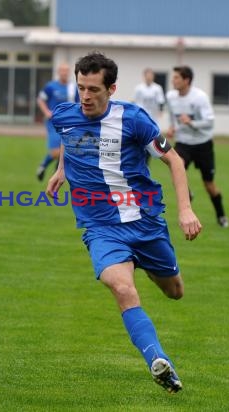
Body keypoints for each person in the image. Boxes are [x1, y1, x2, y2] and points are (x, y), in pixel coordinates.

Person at [46, 52, 202, 393]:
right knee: (122, 287)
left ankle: (146, 263)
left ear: (111, 89)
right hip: (101, 227)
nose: (85, 96)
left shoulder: (134, 120)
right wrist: (61, 172)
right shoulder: (64, 115)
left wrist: (185, 210)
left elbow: (174, 161)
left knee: (174, 292)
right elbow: (69, 143)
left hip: (145, 223)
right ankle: (158, 361)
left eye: (93, 90)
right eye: (81, 87)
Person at [166, 65, 229, 228]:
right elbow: (174, 116)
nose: (173, 80)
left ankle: (221, 215)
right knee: (175, 166)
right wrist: (173, 127)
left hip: (203, 145)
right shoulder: (171, 96)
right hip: (183, 143)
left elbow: (210, 122)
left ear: (186, 80)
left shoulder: (200, 97)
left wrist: (192, 122)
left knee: (209, 185)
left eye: (176, 78)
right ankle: (188, 194)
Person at [35, 62, 78, 181]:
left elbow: (78, 105)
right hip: (53, 123)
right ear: (59, 72)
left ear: (69, 73)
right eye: (62, 70)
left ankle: (50, 169)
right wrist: (47, 112)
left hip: (68, 124)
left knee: (66, 150)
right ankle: (45, 165)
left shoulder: (73, 88)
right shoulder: (51, 86)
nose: (64, 73)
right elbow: (40, 100)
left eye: (66, 70)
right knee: (55, 152)